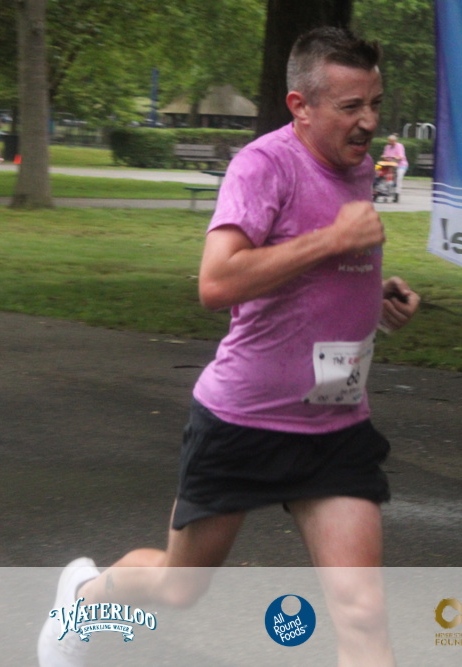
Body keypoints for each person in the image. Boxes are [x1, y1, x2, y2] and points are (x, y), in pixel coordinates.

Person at [38, 26, 420, 667]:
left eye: (375, 103)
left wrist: (373, 296)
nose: (369, 122)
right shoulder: (263, 165)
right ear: (300, 106)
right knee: (178, 587)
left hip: (335, 427)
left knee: (362, 615)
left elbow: (312, 274)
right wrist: (333, 241)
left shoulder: (357, 166)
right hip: (245, 421)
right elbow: (217, 282)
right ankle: (82, 599)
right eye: (351, 106)